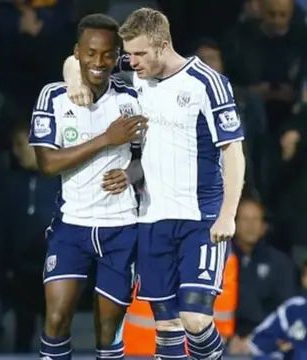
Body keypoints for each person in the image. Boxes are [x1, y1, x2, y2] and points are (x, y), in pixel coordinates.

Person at [62, 7, 246, 360]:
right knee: (166, 327)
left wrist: (228, 214)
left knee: (194, 318)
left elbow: (233, 152)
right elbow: (79, 63)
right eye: (128, 54)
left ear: (163, 46)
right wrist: (74, 80)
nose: (131, 62)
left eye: (139, 54)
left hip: (200, 218)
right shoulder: (138, 77)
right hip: (151, 218)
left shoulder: (207, 83)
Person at [29, 14, 147, 360]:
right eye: (91, 53)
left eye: (108, 55)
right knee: (56, 319)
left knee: (108, 334)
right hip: (72, 225)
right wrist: (106, 139)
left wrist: (131, 174)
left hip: (121, 226)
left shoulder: (131, 96)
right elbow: (47, 164)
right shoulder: (53, 96)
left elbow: (147, 160)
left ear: (117, 56)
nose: (99, 62)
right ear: (77, 53)